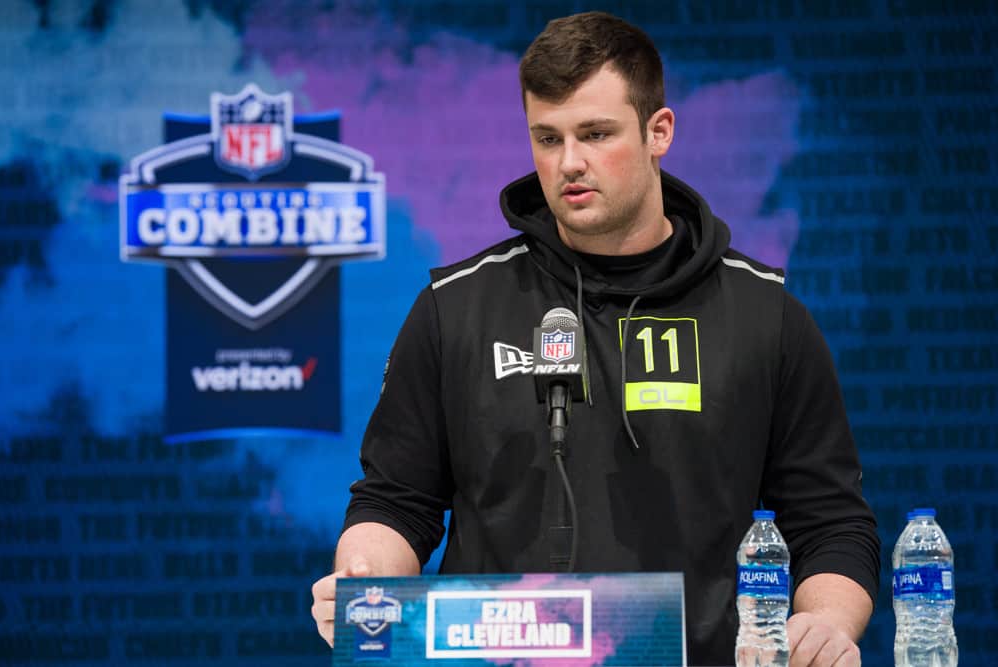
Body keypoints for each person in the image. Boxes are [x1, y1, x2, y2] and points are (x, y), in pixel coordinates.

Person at [312, 11, 879, 666]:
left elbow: (831, 524)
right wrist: (364, 578)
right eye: (547, 138)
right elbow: (395, 502)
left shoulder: (764, 314)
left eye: (595, 133)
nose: (569, 162)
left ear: (658, 132)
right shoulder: (455, 307)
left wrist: (826, 625)